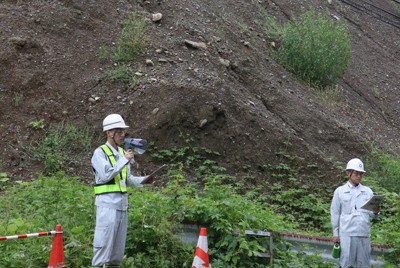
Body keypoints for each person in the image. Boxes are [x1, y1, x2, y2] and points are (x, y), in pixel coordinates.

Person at [90, 114, 154, 268]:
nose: (122, 134)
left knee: (116, 256)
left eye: (123, 131)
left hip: (122, 207)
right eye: (118, 131)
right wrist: (124, 160)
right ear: (108, 132)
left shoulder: (121, 153)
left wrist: (144, 180)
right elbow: (106, 175)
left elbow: (127, 179)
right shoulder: (100, 153)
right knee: (102, 250)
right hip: (107, 207)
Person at [330, 158, 381, 268]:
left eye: (361, 174)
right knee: (346, 264)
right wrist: (335, 234)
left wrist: (376, 212)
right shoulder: (340, 191)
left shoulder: (367, 192)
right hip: (347, 234)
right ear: (348, 173)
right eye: (356, 173)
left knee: (364, 265)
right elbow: (335, 213)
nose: (359, 176)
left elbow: (373, 215)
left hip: (363, 234)